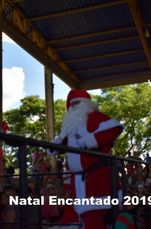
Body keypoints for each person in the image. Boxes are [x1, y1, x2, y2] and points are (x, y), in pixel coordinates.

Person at [48, 89, 123, 229]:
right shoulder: (73, 126)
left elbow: (114, 129)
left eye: (77, 103)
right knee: (83, 217)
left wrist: (89, 140)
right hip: (80, 181)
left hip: (96, 177)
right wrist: (54, 146)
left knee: (96, 217)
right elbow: (63, 144)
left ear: (86, 104)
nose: (74, 107)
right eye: (72, 104)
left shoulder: (95, 117)